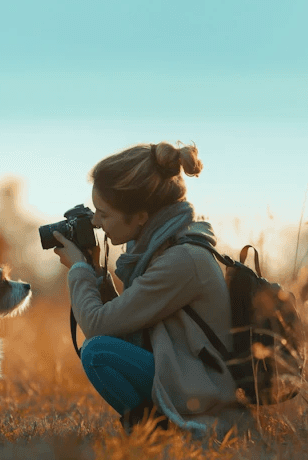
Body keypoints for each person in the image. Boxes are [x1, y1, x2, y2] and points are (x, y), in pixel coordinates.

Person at [50, 141, 253, 440]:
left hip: (204, 391)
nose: (95, 222)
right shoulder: (160, 246)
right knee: (102, 348)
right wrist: (95, 272)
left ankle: (162, 432)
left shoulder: (180, 259)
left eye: (104, 214)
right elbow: (129, 322)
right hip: (183, 371)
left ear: (142, 216)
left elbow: (97, 325)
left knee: (97, 352)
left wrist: (79, 271)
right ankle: (158, 430)